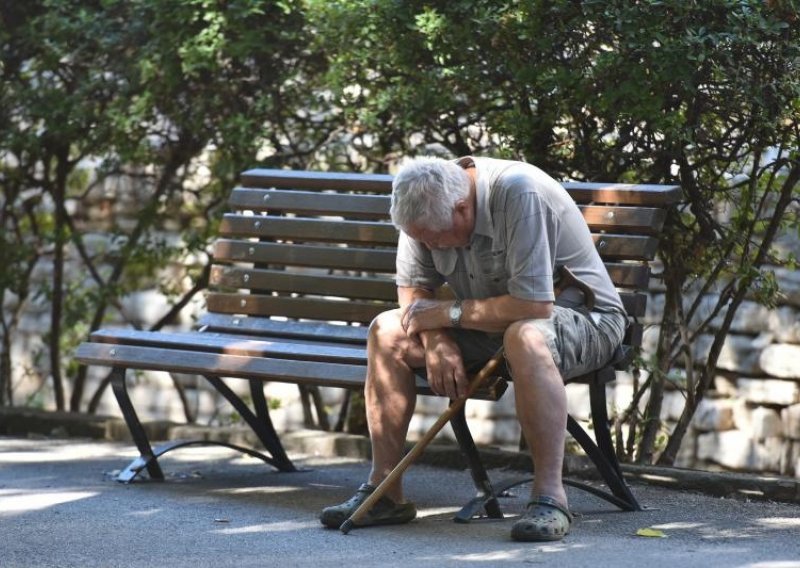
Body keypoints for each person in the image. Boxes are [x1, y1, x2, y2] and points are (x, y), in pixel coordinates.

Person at [319, 156, 627, 541]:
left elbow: (534, 306)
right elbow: (414, 295)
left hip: (585, 320)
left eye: (435, 237)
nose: (430, 245)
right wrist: (436, 340)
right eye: (423, 239)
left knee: (524, 335)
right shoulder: (422, 202)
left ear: (463, 208)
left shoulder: (518, 192)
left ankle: (550, 497)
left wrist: (446, 314)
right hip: (489, 322)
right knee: (385, 330)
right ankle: (384, 492)